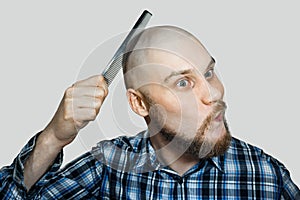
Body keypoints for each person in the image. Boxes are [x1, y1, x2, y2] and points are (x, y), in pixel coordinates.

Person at [0, 25, 299, 199]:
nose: (214, 94)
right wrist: (53, 137)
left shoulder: (265, 176)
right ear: (140, 104)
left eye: (208, 73)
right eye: (183, 83)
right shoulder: (109, 167)